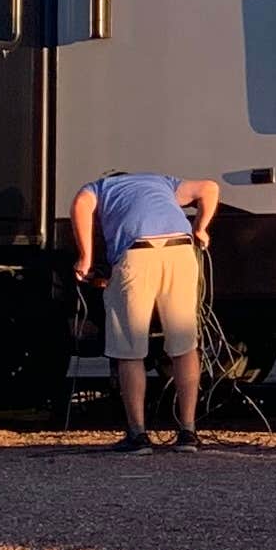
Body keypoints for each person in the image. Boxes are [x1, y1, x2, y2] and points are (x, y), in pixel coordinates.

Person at [72, 168, 221, 451]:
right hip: (181, 252)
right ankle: (188, 432)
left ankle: (138, 435)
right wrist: (201, 228)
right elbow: (209, 187)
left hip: (137, 254)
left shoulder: (101, 186)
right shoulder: (162, 182)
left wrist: (86, 258)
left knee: (129, 348)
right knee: (184, 345)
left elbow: (81, 204)